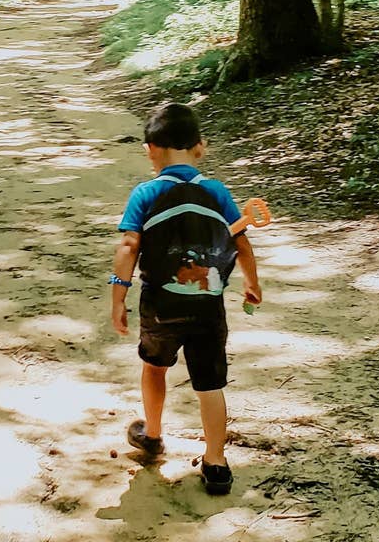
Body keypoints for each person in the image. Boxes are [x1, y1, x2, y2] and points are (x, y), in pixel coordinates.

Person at [109, 101, 262, 495]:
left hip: (161, 305)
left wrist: (118, 295)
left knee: (154, 366)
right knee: (210, 385)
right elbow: (240, 242)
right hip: (208, 306)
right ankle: (216, 461)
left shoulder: (146, 193)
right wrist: (252, 283)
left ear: (150, 150)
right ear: (200, 147)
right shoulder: (215, 191)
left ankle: (154, 434)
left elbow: (129, 245)